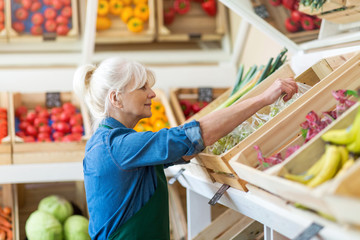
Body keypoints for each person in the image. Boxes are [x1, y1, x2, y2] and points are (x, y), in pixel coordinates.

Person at [73, 57, 298, 240]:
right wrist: (263, 99)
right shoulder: (117, 146)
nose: (152, 93)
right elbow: (197, 135)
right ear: (116, 98)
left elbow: (186, 148)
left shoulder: (112, 142)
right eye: (142, 87)